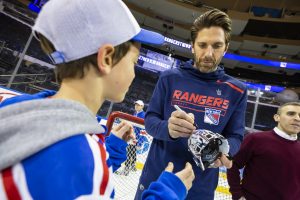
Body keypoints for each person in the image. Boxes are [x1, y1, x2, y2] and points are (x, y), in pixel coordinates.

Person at [0, 0, 195, 199]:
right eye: (133, 63)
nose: (134, 75)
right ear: (106, 59)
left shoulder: (16, 109)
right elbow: (78, 171)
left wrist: (108, 151)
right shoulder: (81, 161)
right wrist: (167, 193)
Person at [135, 8, 247, 200]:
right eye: (202, 45)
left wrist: (225, 149)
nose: (209, 53)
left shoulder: (236, 90)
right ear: (192, 46)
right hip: (159, 178)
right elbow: (150, 120)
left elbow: (236, 136)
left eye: (217, 46)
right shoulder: (169, 78)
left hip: (200, 189)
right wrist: (168, 129)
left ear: (226, 47)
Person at [227, 102, 300, 200]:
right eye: (291, 114)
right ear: (277, 117)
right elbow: (233, 165)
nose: (297, 118)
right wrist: (237, 194)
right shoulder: (256, 139)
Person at [120, 100, 146, 175]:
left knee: (129, 152)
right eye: (136, 105)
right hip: (132, 136)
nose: (136, 106)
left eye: (138, 105)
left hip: (136, 138)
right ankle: (133, 165)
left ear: (142, 106)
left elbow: (143, 130)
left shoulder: (143, 115)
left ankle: (126, 169)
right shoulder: (135, 113)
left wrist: (140, 142)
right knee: (132, 152)